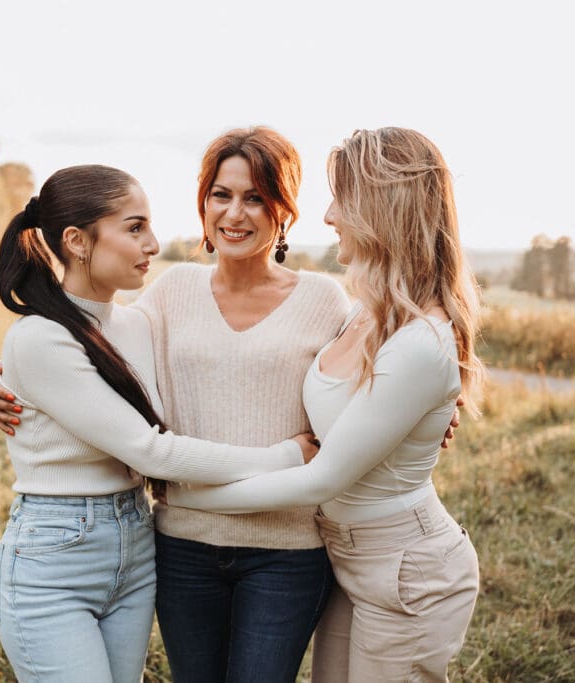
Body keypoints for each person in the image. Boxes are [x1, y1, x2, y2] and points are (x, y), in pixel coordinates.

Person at [0, 129, 461, 682]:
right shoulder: (168, 293)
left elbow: (375, 384)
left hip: (287, 550)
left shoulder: (326, 300)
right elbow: (90, 340)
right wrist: (4, 378)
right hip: (181, 547)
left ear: (284, 209)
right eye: (221, 194)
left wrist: (431, 420)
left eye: (255, 196)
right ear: (204, 203)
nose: (235, 213)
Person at [164, 127, 483, 682]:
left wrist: (191, 493)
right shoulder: (368, 312)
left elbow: (321, 478)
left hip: (405, 566)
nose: (329, 215)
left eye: (342, 200)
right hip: (348, 556)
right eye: (221, 194)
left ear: (383, 210)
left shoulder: (417, 338)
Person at [0, 163, 319, 683]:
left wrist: (424, 403)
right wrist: (286, 456)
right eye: (135, 227)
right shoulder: (36, 338)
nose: (153, 243)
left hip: (136, 545)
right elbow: (149, 450)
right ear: (77, 241)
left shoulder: (138, 322)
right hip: (57, 551)